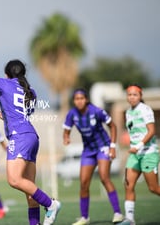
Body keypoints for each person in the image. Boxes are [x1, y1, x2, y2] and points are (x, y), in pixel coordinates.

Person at [0, 59, 61, 225]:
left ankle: (51, 204)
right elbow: (18, 117)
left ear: (7, 74)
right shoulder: (31, 92)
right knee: (30, 189)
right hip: (31, 136)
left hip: (20, 137)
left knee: (14, 180)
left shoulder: (4, 83)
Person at [63, 89, 123, 225]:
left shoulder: (96, 111)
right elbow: (66, 130)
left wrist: (113, 146)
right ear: (74, 101)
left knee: (104, 177)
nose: (79, 101)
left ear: (87, 99)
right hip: (88, 151)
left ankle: (118, 213)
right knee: (83, 183)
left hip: (103, 147)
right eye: (76, 99)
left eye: (81, 98)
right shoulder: (72, 114)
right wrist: (66, 138)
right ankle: (84, 217)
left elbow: (112, 126)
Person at [118, 85, 160, 225]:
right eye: (129, 94)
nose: (132, 97)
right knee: (128, 185)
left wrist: (139, 146)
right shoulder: (128, 112)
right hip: (134, 155)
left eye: (135, 94)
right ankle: (130, 219)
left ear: (140, 96)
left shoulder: (145, 109)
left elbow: (151, 131)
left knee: (153, 188)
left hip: (148, 153)